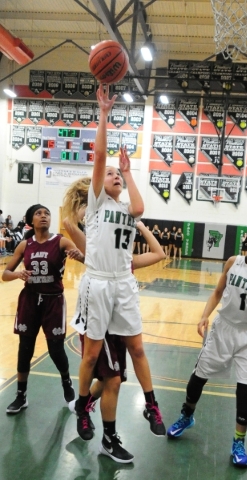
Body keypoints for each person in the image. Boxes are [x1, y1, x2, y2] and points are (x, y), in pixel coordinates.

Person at [69, 85, 166, 451]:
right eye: (111, 174)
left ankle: (152, 405)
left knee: (138, 349)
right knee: (92, 355)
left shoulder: (126, 208)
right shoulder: (93, 205)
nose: (114, 176)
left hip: (124, 283)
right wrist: (104, 115)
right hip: (98, 283)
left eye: (118, 176)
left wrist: (129, 171)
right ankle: (82, 406)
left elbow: (139, 209)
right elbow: (98, 156)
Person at [63, 201, 165, 463]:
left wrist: (140, 225)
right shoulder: (100, 253)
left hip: (121, 320)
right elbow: (76, 229)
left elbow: (160, 253)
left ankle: (82, 405)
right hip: (101, 318)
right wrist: (79, 239)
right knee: (114, 380)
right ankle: (106, 434)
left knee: (113, 378)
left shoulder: (129, 263)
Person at [167, 231, 247, 468]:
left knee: (245, 390)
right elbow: (217, 292)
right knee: (197, 379)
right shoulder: (233, 262)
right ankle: (186, 416)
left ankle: (239, 442)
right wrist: (204, 316)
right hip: (222, 330)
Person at [2, 203, 85, 414]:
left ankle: (66, 381)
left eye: (47, 213)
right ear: (32, 220)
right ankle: (21, 396)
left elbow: (87, 260)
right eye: (39, 213)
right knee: (25, 349)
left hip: (53, 301)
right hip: (30, 300)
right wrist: (17, 275)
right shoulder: (24, 245)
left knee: (56, 349)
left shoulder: (60, 241)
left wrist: (80, 256)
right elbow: (5, 274)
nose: (44, 216)